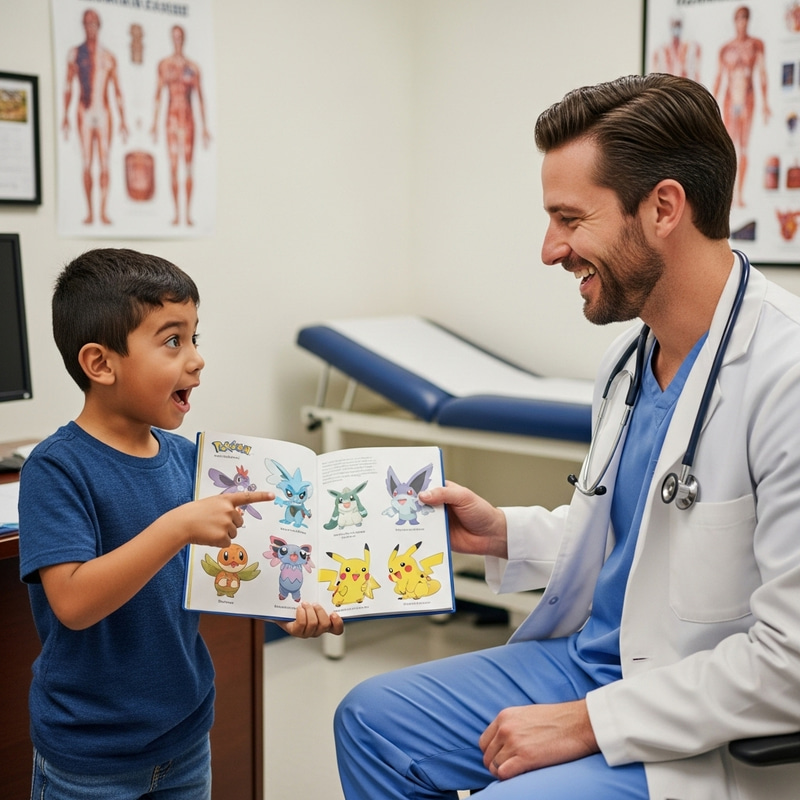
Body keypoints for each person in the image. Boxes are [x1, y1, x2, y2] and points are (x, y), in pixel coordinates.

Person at [334, 73, 800, 800]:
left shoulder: (786, 375)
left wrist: (588, 722)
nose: (551, 250)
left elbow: (790, 666)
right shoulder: (627, 361)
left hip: (695, 715)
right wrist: (503, 535)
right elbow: (644, 543)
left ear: (663, 208)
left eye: (570, 219)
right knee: (372, 722)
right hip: (590, 660)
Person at [18, 248, 343, 799]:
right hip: (91, 757)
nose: (196, 359)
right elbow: (71, 604)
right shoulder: (56, 469)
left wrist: (285, 607)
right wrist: (177, 527)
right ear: (100, 364)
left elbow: (226, 572)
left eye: (195, 337)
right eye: (173, 341)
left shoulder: (189, 459)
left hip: (186, 738)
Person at [61, 9, 128, 225]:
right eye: (87, 23)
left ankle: (103, 210)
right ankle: (90, 212)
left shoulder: (108, 57)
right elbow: (67, 86)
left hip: (104, 111)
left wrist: (124, 119)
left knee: (105, 162)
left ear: (98, 25)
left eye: (93, 23)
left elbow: (117, 91)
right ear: (83, 25)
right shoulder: (75, 54)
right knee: (87, 162)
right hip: (84, 110)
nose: (90, 27)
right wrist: (64, 115)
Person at [151, 25, 211, 227]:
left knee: (188, 167)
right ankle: (177, 213)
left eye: (180, 37)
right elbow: (158, 95)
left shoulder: (192, 68)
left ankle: (187, 214)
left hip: (188, 119)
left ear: (183, 39)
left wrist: (204, 128)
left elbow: (200, 99)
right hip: (171, 119)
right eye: (174, 37)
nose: (177, 40)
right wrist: (153, 123)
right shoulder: (165, 65)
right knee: (174, 167)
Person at [713, 5, 771, 208]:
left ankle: (739, 195)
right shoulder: (726, 49)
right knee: (729, 147)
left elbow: (762, 74)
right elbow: (719, 78)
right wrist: (710, 106)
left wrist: (766, 104)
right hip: (730, 102)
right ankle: (728, 195)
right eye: (739, 18)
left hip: (747, 100)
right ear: (734, 21)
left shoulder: (756, 45)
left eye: (745, 18)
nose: (742, 22)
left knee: (744, 148)